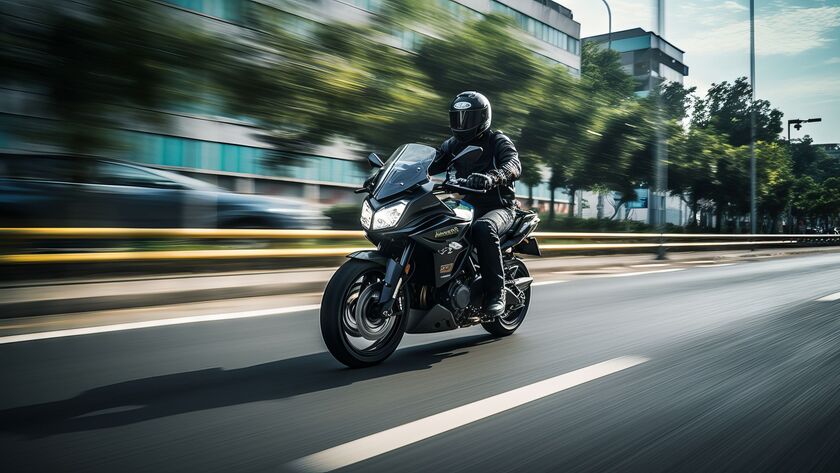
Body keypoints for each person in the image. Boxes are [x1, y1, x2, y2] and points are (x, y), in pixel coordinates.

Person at [429, 91, 522, 318]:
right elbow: (428, 165)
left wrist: (494, 176)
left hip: (500, 208)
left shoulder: (497, 140)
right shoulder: (451, 145)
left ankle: (496, 293)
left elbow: (514, 164)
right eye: (457, 118)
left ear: (482, 118)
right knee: (432, 223)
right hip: (468, 206)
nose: (462, 124)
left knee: (483, 227)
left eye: (468, 119)